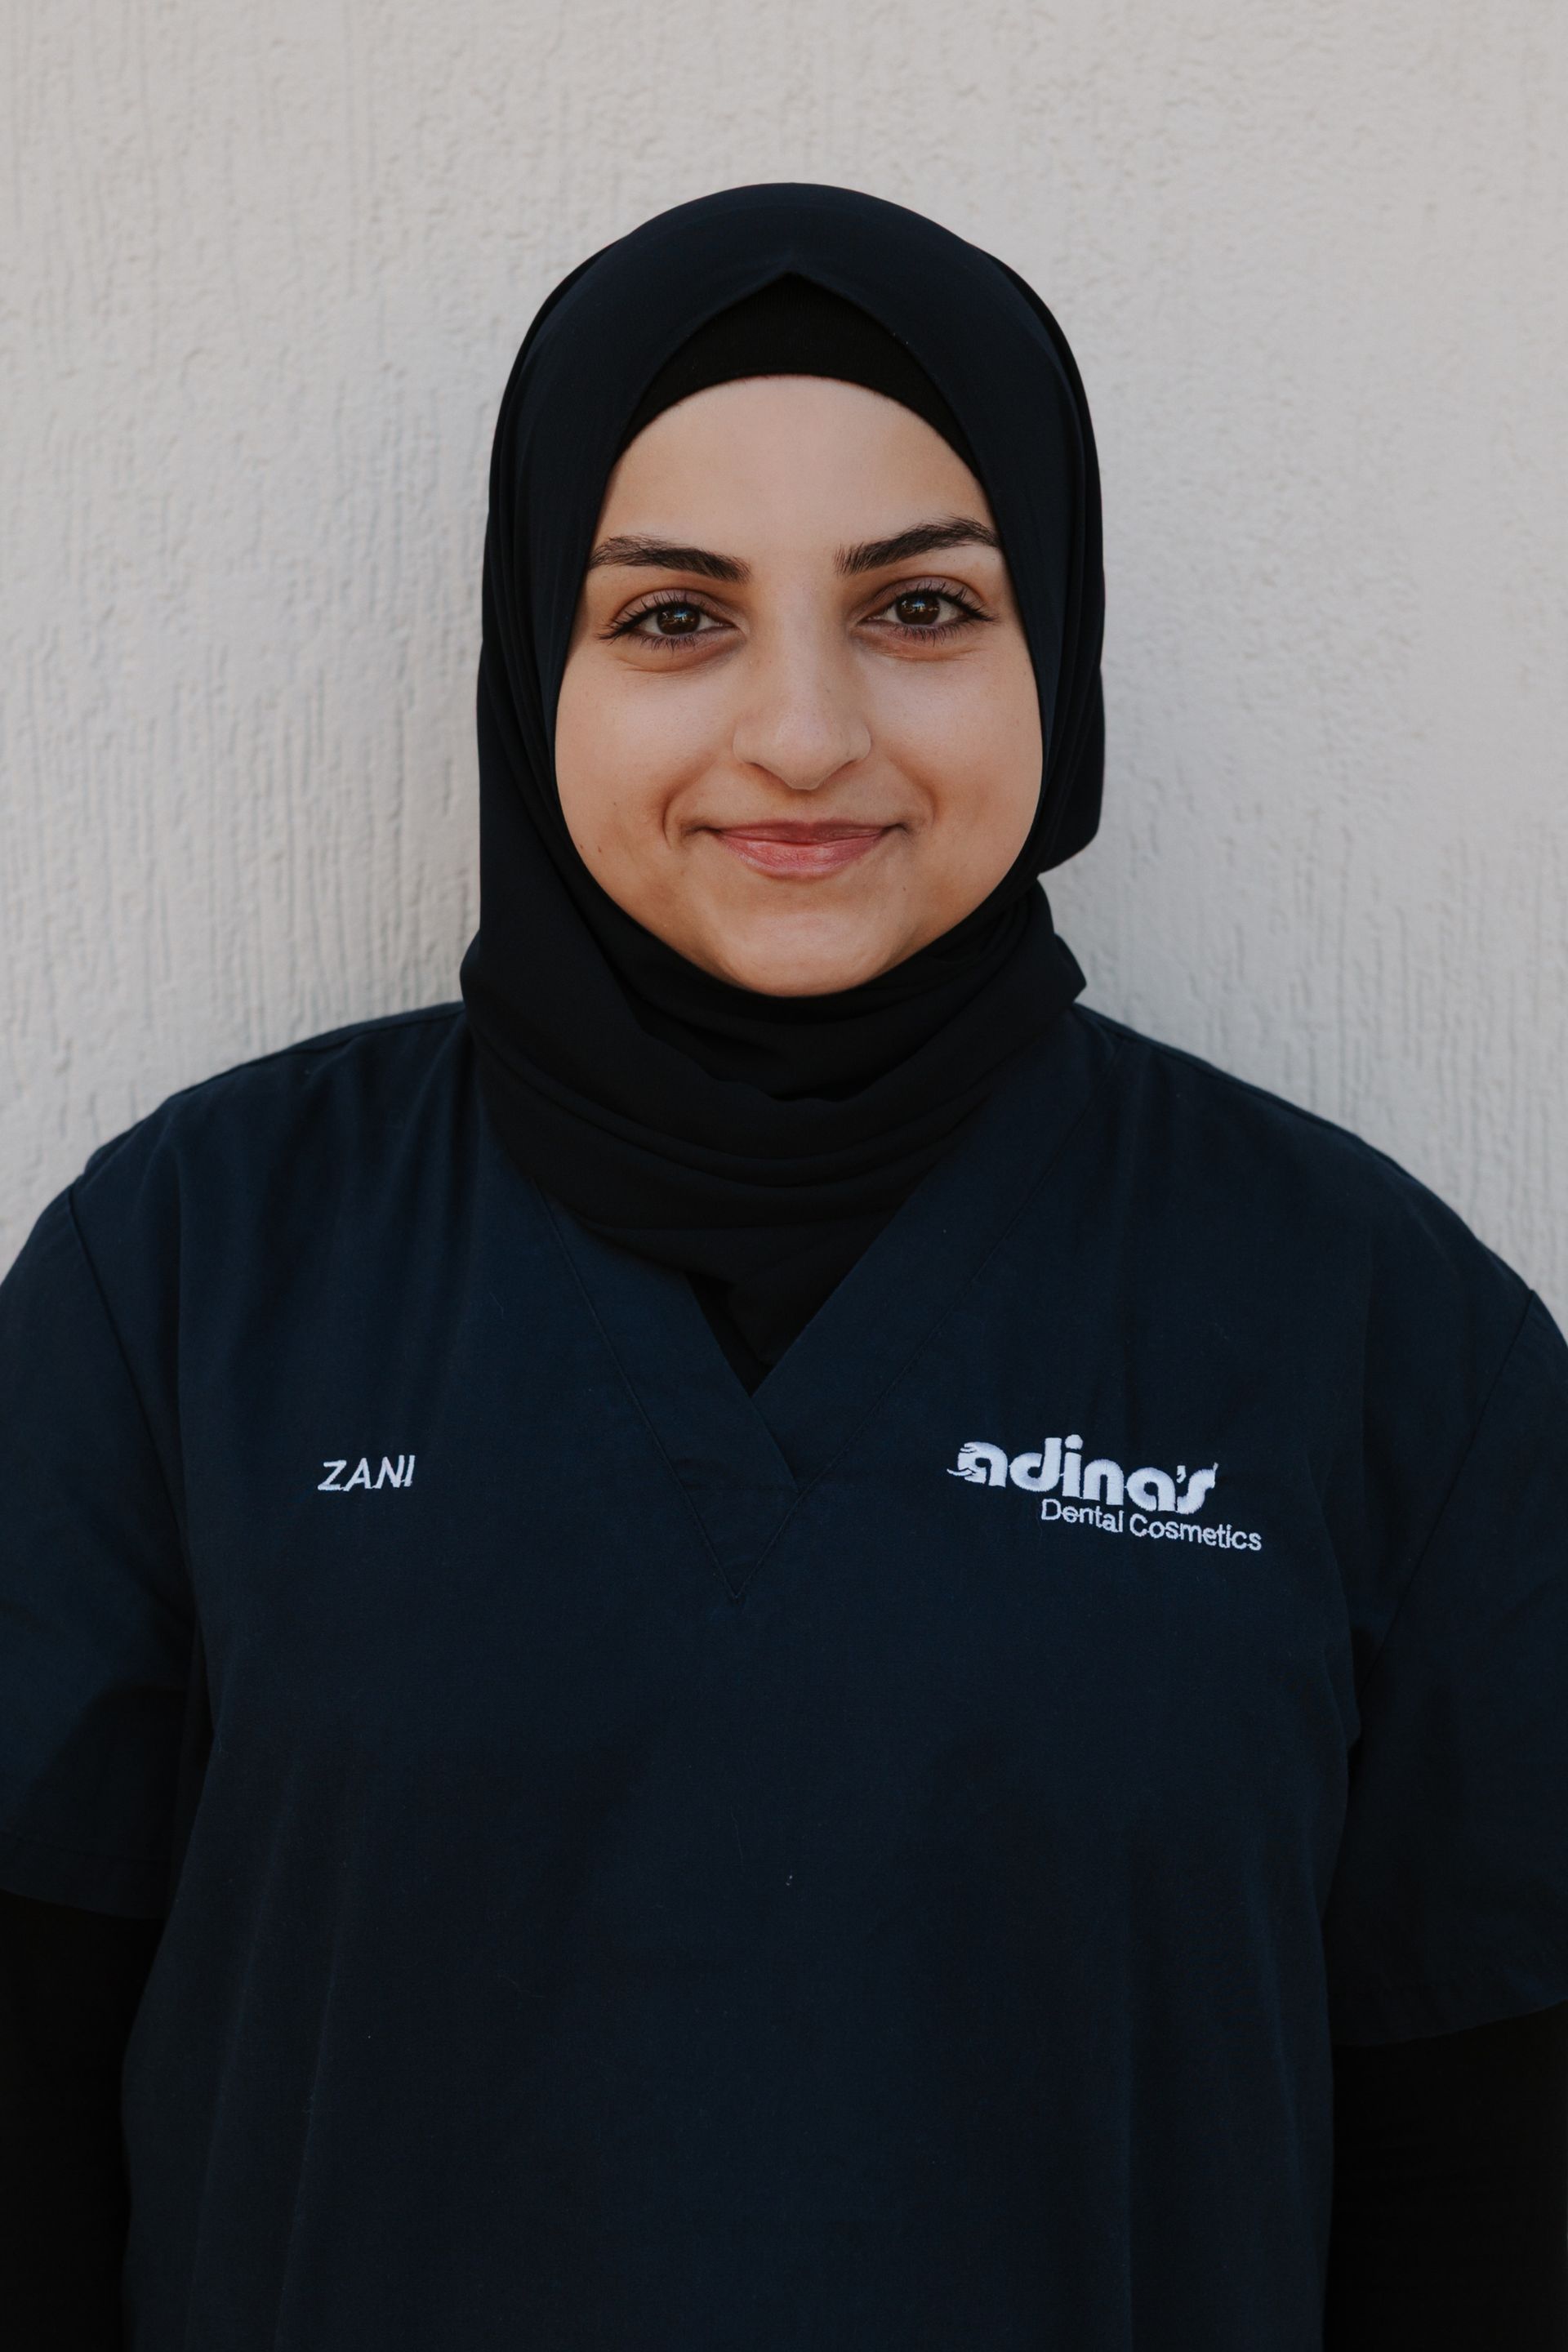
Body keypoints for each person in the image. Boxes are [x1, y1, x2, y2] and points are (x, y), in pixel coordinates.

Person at [1, 183, 1566, 2351]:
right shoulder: (190, 1272)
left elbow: (1491, 2194)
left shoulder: (1383, 1335)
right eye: (672, 618)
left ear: (1064, 656)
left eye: (923, 605)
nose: (805, 732)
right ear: (530, 654)